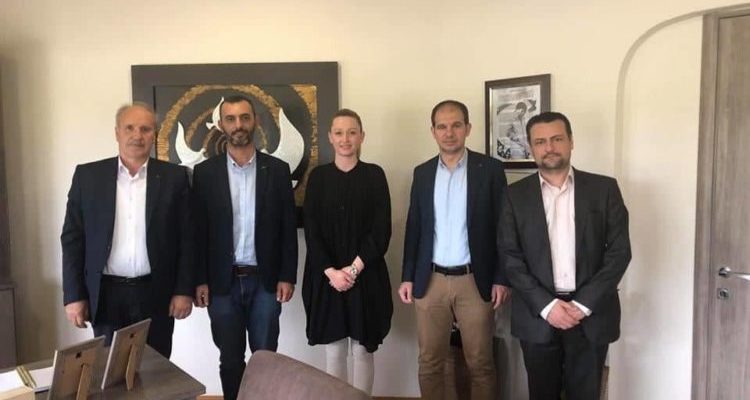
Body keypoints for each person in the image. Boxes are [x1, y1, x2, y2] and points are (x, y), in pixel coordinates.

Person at [501, 111, 631, 400]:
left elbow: (620, 252)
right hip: (537, 315)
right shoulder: (514, 195)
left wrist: (583, 305)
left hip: (590, 315)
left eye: (557, 139)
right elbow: (510, 257)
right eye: (540, 142)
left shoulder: (604, 189)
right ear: (531, 148)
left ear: (571, 141)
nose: (549, 147)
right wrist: (548, 306)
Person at [60, 103, 194, 358]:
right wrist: (74, 295)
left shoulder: (174, 178)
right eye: (129, 128)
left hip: (156, 292)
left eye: (145, 129)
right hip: (106, 295)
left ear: (154, 135)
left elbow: (188, 239)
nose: (137, 136)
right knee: (109, 371)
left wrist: (183, 290)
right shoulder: (88, 177)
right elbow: (72, 239)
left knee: (155, 368)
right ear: (117, 133)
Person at [399, 100, 511, 400]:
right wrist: (408, 276)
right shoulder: (423, 173)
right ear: (433, 131)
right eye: (442, 127)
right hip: (430, 280)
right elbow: (415, 227)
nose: (449, 133)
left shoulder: (490, 170)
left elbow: (504, 229)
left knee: (481, 364)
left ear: (468, 128)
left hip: (475, 280)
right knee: (429, 363)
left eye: (456, 125)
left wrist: (501, 278)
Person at [192, 95, 297, 400]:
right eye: (231, 118)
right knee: (230, 360)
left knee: (266, 359)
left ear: (255, 121)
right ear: (221, 125)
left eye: (244, 117)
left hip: (265, 281)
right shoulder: (205, 173)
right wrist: (199, 279)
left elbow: (287, 228)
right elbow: (198, 232)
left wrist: (287, 275)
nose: (238, 124)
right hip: (221, 284)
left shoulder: (277, 170)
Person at [302, 108, 392, 394]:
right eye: (339, 133)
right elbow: (312, 230)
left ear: (362, 136)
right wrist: (332, 272)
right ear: (330, 137)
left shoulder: (375, 175)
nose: (345, 139)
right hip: (327, 278)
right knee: (334, 348)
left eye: (352, 132)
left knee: (363, 350)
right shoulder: (318, 178)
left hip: (366, 275)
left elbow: (381, 230)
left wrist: (353, 269)